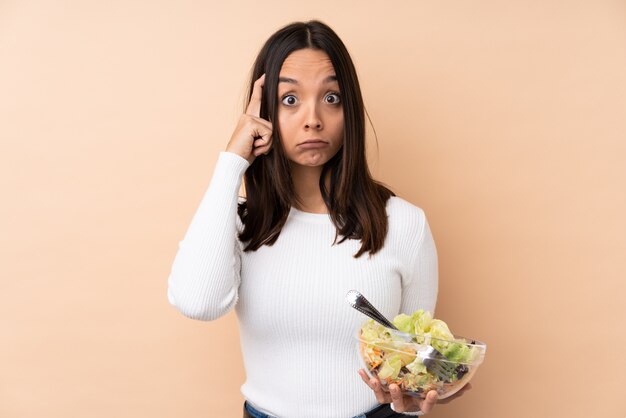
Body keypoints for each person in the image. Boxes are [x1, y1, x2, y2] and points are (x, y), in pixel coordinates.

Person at [167, 20, 468, 418]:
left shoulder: (404, 224)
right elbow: (198, 302)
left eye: (331, 97)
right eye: (290, 99)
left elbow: (412, 370)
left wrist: (417, 397)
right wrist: (232, 163)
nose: (313, 119)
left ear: (351, 110)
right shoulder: (240, 224)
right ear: (263, 112)